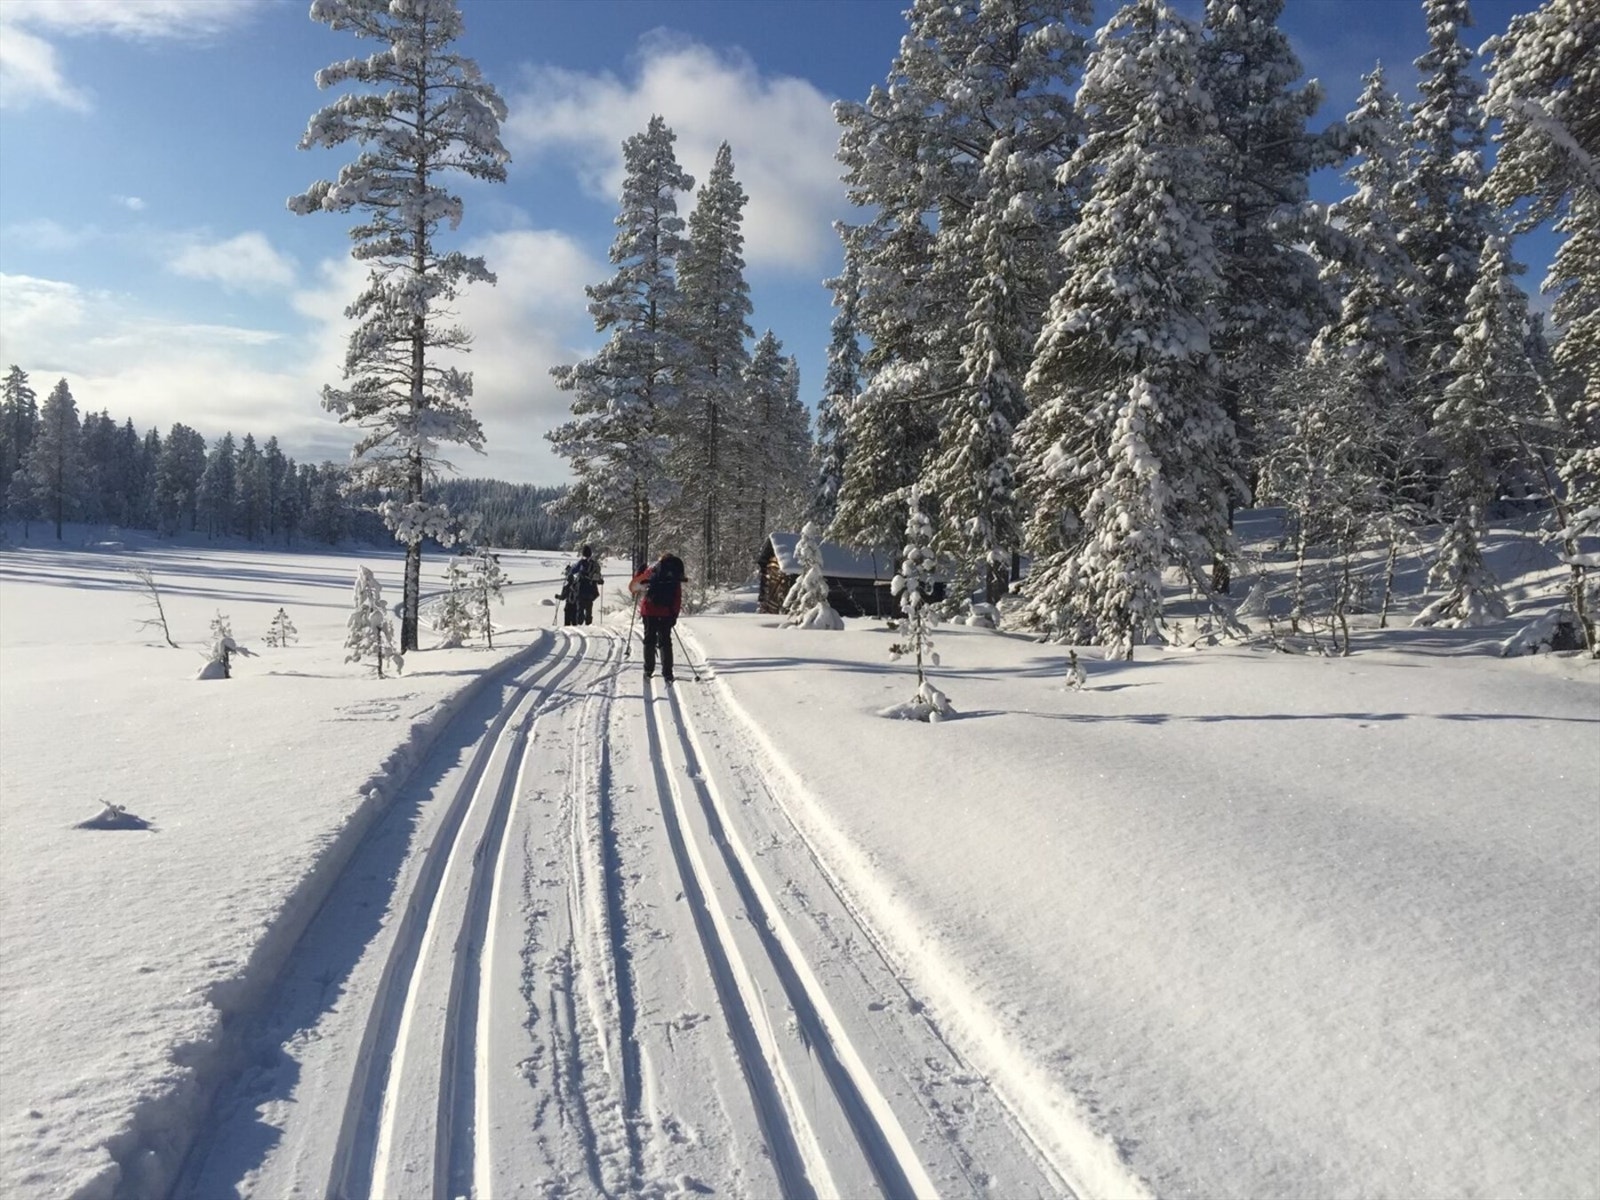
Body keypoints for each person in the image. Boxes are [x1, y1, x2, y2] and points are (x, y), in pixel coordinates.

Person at [629, 551, 684, 683]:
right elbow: (677, 597)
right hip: (666, 612)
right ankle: (667, 672)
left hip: (649, 610)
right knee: (665, 641)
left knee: (649, 640)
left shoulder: (651, 570)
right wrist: (674, 614)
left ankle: (648, 670)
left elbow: (633, 587)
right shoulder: (674, 573)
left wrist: (638, 573)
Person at [567, 545, 601, 624]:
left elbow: (573, 571)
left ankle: (580, 624)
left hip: (581, 589)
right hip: (592, 589)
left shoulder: (581, 563)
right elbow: (598, 575)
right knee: (589, 608)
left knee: (580, 609)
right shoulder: (595, 564)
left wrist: (569, 570)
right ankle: (588, 624)